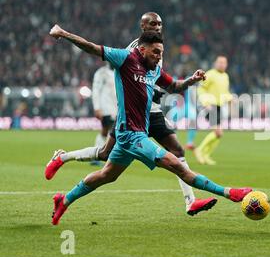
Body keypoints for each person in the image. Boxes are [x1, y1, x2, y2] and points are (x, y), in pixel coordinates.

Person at [48, 25, 252, 225]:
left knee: (105, 175)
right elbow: (91, 47)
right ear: (142, 49)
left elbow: (173, 86)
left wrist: (192, 79)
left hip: (131, 135)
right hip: (132, 136)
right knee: (178, 166)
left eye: (161, 53)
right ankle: (229, 193)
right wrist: (63, 34)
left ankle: (63, 200)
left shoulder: (154, 69)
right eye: (155, 52)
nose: (158, 56)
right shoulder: (126, 58)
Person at [194, 56, 233, 165]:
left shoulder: (225, 76)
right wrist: (205, 103)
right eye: (219, 62)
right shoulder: (210, 74)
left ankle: (206, 155)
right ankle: (200, 150)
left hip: (219, 105)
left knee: (219, 134)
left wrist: (230, 98)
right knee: (218, 132)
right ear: (215, 63)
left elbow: (224, 91)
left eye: (224, 62)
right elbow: (201, 88)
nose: (221, 64)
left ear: (226, 64)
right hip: (210, 105)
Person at [91, 62, 117, 165]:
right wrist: (97, 107)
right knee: (106, 130)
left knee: (111, 131)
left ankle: (103, 155)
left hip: (116, 108)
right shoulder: (102, 73)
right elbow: (96, 90)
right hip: (106, 107)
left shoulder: (118, 72)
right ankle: (97, 155)